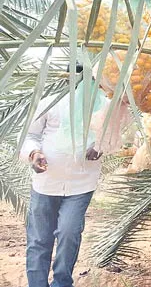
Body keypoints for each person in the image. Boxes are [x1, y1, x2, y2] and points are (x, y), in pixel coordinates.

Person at [20, 63, 107, 287]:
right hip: (46, 183)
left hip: (81, 183)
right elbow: (29, 135)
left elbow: (113, 135)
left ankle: (62, 283)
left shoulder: (102, 106)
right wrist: (34, 153)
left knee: (69, 235)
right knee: (40, 239)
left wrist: (101, 147)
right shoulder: (50, 103)